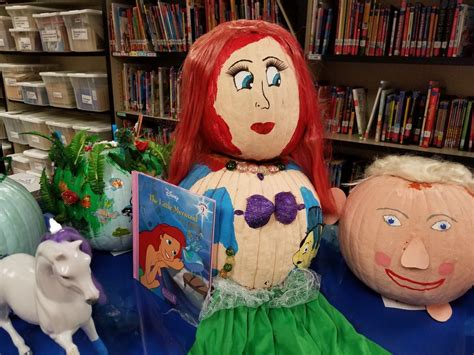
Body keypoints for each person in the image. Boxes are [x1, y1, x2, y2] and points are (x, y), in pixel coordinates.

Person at [169, 20, 387, 354]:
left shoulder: (298, 176)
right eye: (245, 82)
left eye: (275, 79)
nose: (265, 101)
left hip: (290, 293)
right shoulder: (204, 182)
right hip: (225, 302)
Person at [139, 224, 186, 289]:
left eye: (174, 252)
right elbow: (149, 280)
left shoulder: (167, 256)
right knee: (146, 280)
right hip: (141, 250)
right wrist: (157, 265)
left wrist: (164, 261)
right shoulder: (151, 248)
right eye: (169, 242)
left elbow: (180, 265)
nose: (170, 251)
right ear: (161, 237)